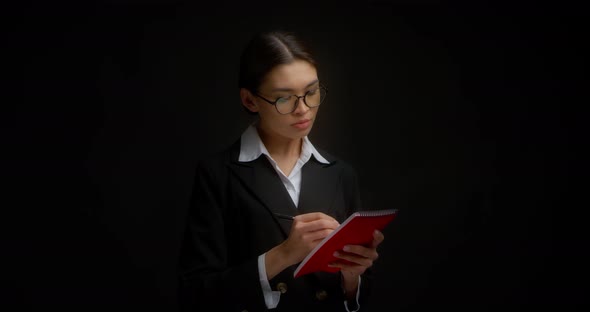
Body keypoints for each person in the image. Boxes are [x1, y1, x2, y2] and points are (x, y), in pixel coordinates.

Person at [178, 30, 385, 312]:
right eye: (284, 99)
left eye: (311, 92)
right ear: (250, 101)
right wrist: (283, 255)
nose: (303, 110)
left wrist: (352, 277)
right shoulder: (218, 174)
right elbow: (195, 294)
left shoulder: (340, 174)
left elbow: (356, 296)